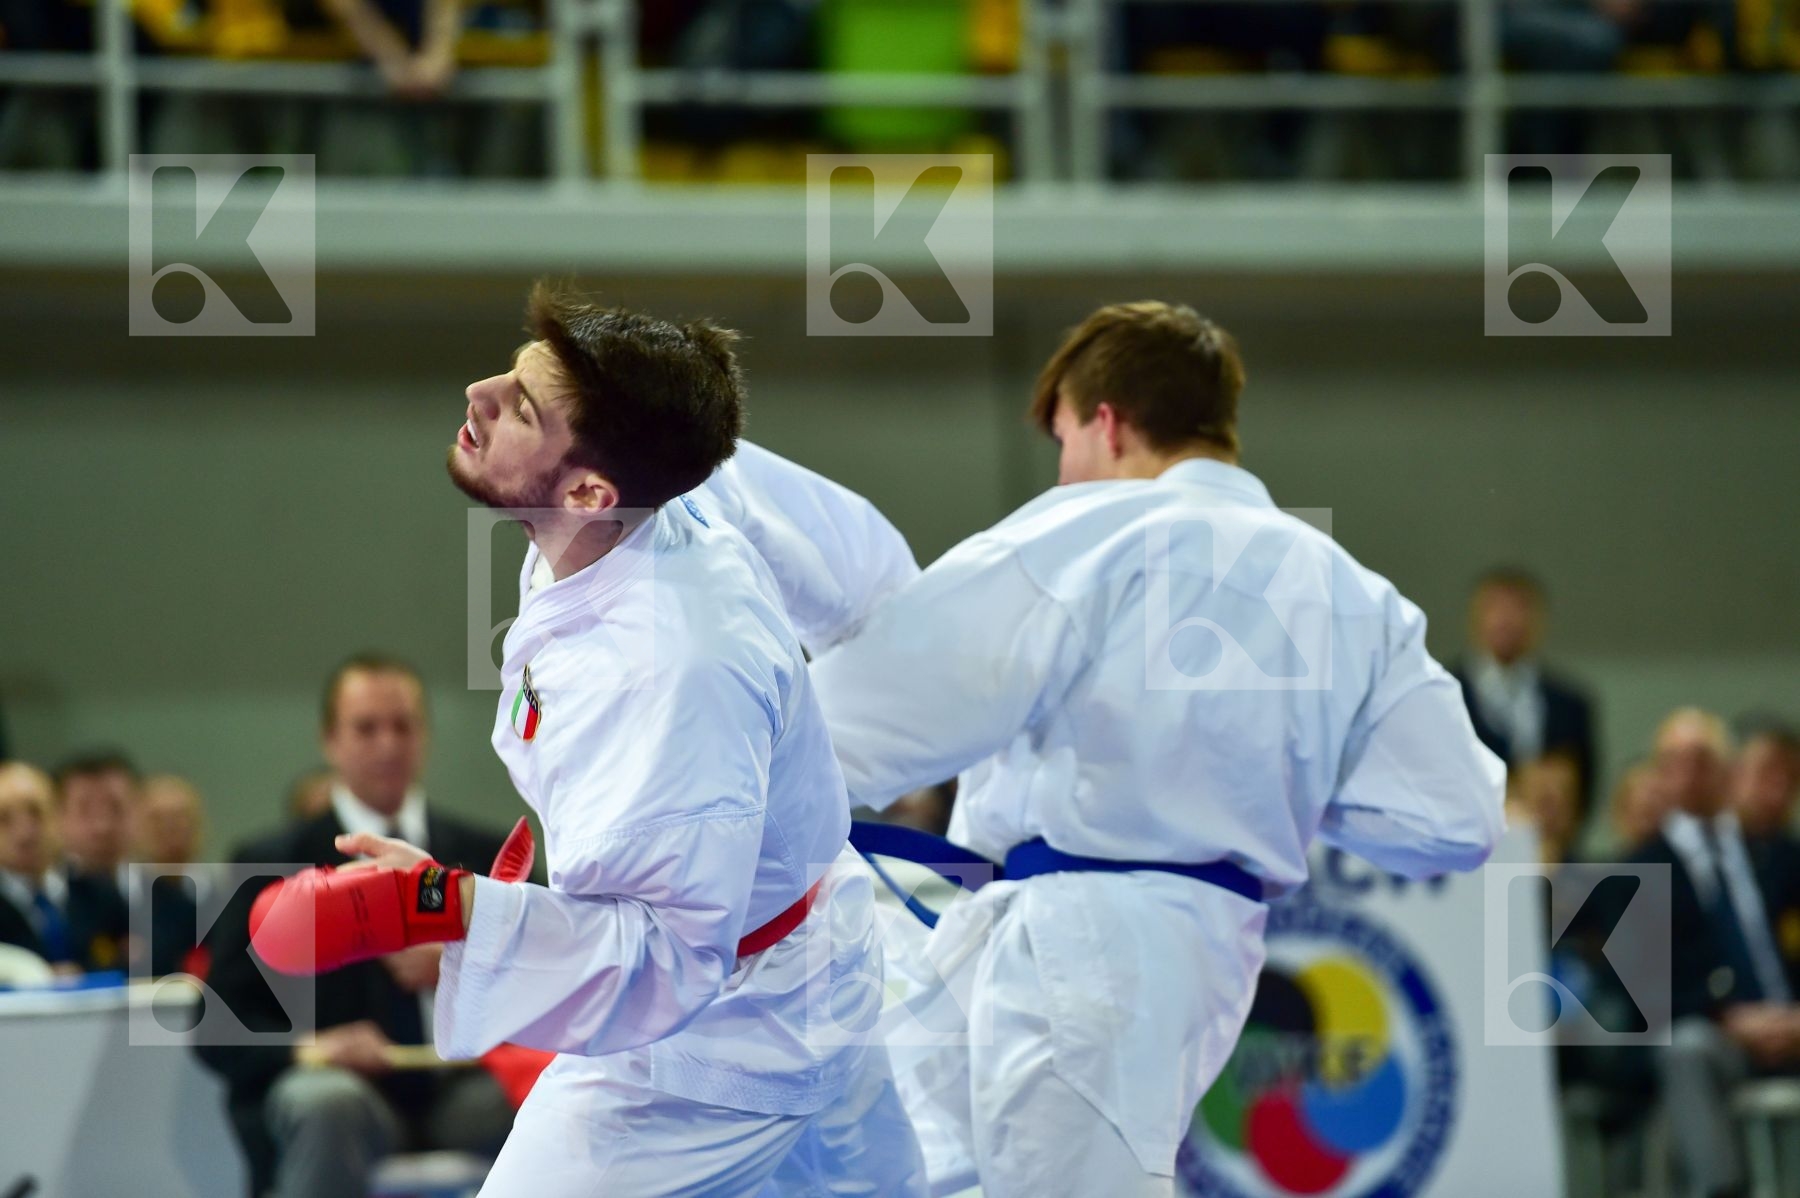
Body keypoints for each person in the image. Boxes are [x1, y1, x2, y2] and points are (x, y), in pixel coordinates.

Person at [809, 300, 1507, 1197]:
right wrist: (1271, 773)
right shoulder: (1355, 593)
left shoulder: (1090, 533)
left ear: (1107, 422)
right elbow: (1457, 817)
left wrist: (736, 769)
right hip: (1205, 948)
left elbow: (878, 709)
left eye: (1063, 441)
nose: (1065, 472)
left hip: (1078, 940)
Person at [250, 285, 928, 1197]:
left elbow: (671, 957)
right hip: (816, 957)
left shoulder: (671, 670)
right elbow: (868, 576)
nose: (478, 393)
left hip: (720, 1035)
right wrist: (799, 760)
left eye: (521, 405)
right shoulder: (675, 473)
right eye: (512, 369)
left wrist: (450, 910)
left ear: (587, 489)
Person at [196, 655, 516, 1198]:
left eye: (403, 726)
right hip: (345, 1095)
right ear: (330, 742)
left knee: (553, 1090)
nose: (388, 745)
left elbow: (556, 978)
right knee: (326, 1102)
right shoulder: (274, 861)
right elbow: (215, 1019)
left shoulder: (484, 853)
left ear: (426, 738)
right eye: (366, 728)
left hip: (458, 1087)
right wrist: (313, 1048)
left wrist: (460, 962)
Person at [1635, 708, 1800, 1198]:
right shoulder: (1631, 868)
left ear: (1729, 769)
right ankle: (1722, 1190)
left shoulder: (1778, 853)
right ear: (1658, 774)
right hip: (1717, 1036)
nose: (1688, 773)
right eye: (1674, 761)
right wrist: (1731, 1019)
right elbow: (1642, 995)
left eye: (1702, 759)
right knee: (1683, 1048)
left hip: (1793, 1021)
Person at [1452, 568, 1599, 803]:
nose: (1506, 619)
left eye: (1518, 608)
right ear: (1474, 616)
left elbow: (1583, 790)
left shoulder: (1570, 703)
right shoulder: (1443, 694)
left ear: (1538, 619)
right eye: (1495, 607)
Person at [0, 761, 128, 974]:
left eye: (35, 813)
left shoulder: (98, 892)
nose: (24, 832)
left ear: (58, 816)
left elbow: (134, 959)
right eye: (4, 819)